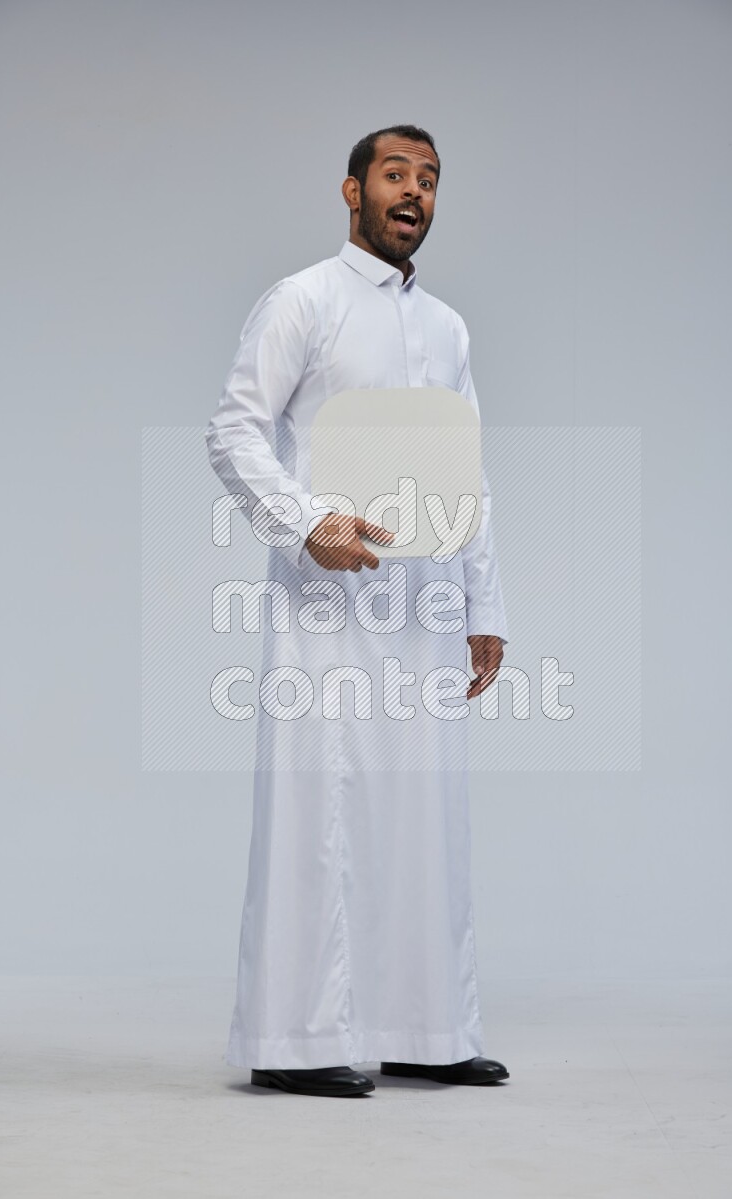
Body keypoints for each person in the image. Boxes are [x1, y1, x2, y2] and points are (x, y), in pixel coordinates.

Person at [205, 125, 510, 1098]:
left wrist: (482, 604)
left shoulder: (450, 329)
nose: (412, 192)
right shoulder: (304, 301)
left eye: (427, 179)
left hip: (423, 600)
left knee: (429, 813)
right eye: (393, 174)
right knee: (319, 810)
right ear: (351, 191)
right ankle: (293, 1039)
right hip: (328, 599)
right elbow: (234, 431)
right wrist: (303, 523)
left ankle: (426, 1026)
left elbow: (469, 471)